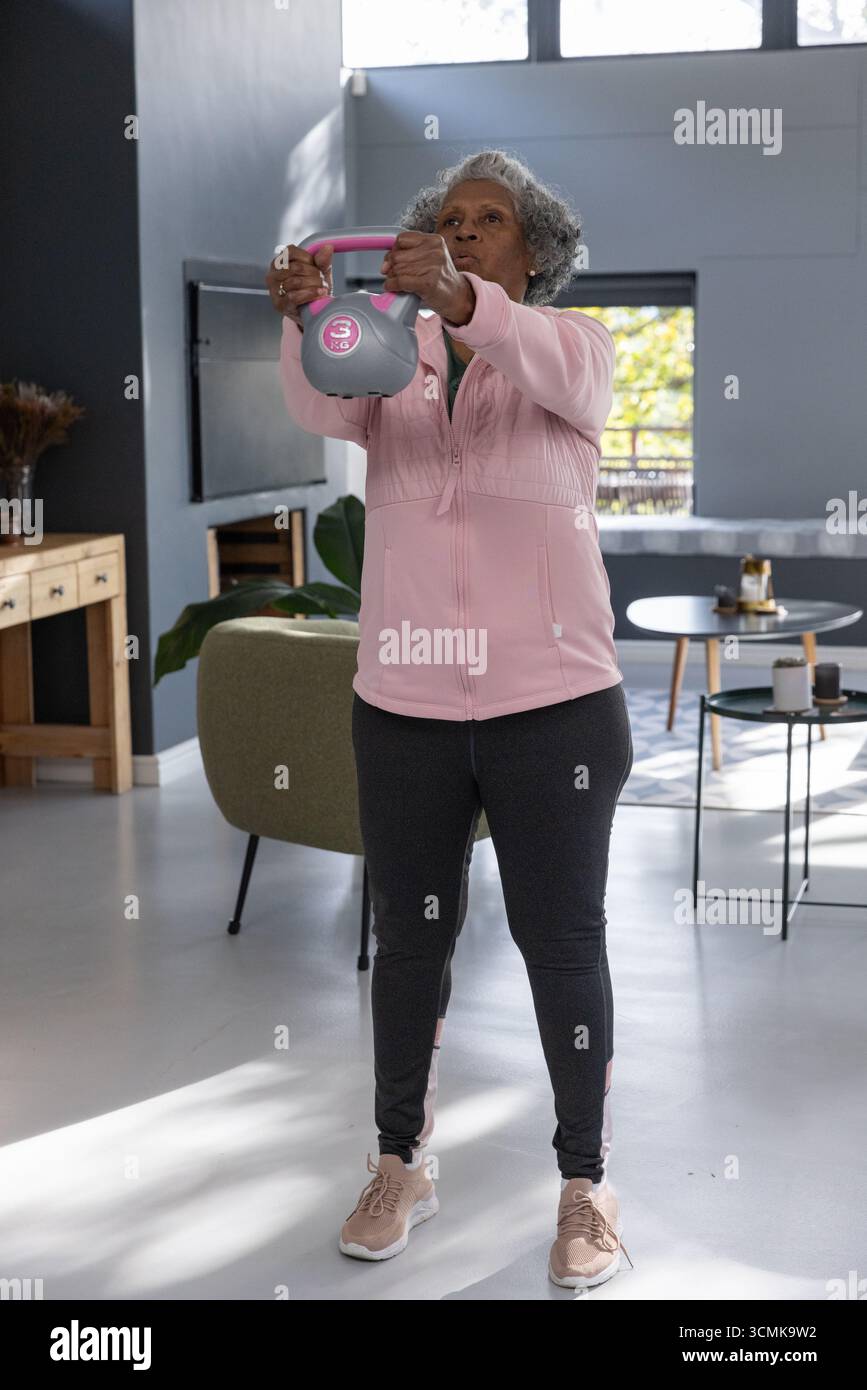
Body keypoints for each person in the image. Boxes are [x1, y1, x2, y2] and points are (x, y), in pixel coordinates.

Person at [267, 149, 633, 1290]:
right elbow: (320, 397)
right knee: (410, 943)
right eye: (449, 220)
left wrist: (469, 306)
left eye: (490, 219)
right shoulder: (394, 356)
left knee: (562, 944)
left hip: (557, 708)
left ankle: (586, 1185)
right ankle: (399, 1162)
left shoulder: (570, 353)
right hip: (409, 706)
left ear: (534, 251)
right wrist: (308, 314)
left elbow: (552, 356)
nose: (465, 230)